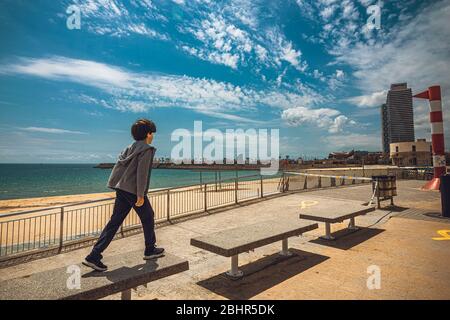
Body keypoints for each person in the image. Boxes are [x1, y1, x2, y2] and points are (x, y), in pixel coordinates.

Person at [83, 119, 164, 271]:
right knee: (148, 216)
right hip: (133, 191)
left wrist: (114, 183)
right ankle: (150, 249)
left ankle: (94, 255)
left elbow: (118, 167)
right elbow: (142, 174)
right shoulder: (146, 149)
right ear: (148, 134)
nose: (152, 136)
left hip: (122, 188)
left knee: (114, 222)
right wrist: (140, 195)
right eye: (152, 133)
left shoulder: (129, 148)